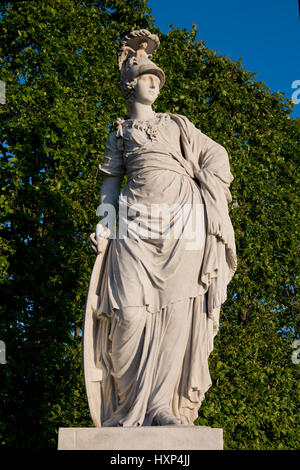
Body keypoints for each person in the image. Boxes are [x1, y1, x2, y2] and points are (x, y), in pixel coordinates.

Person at [89, 30, 237, 427]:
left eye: (158, 78)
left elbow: (216, 154)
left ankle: (161, 407)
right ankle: (125, 408)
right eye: (147, 76)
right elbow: (108, 186)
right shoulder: (119, 134)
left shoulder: (177, 124)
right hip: (133, 228)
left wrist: (201, 187)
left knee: (178, 311)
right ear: (129, 83)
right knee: (129, 316)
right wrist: (104, 228)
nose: (155, 83)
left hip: (185, 224)